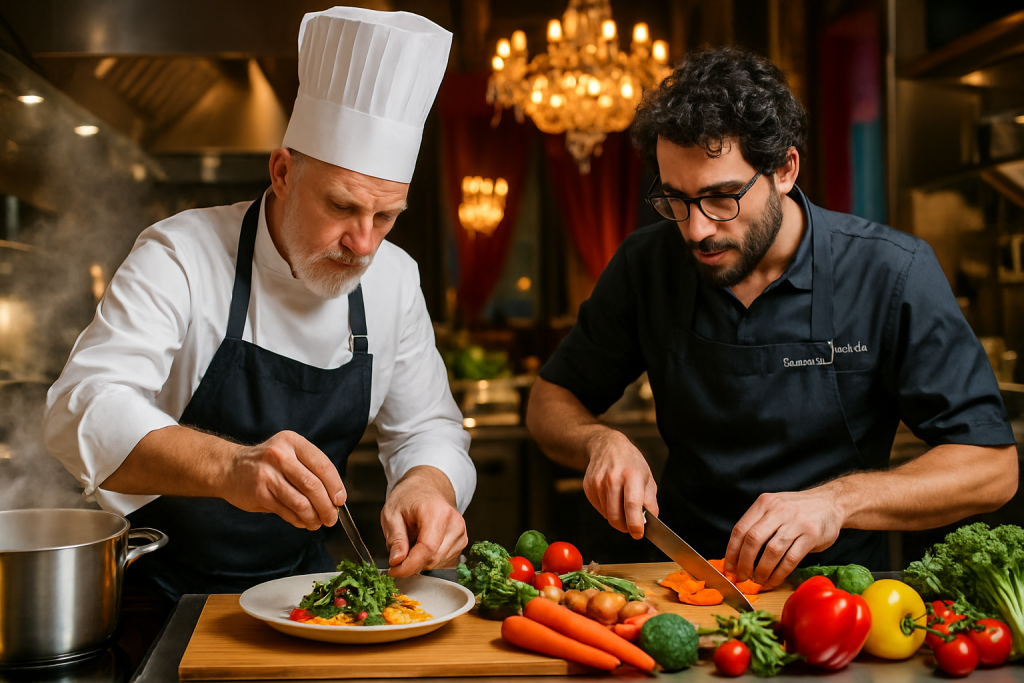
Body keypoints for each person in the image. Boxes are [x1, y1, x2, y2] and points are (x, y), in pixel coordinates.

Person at [527, 46, 1017, 587]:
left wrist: (838, 502)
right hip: (683, 585)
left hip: (839, 595)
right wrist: (600, 441)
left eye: (721, 197)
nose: (697, 230)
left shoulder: (891, 271)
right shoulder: (646, 265)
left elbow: (992, 468)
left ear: (784, 168)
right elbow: (550, 402)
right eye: (676, 200)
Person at [43, 7, 475, 602]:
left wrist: (429, 484)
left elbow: (427, 427)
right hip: (161, 592)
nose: (364, 243)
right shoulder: (181, 253)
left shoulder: (395, 279)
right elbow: (80, 407)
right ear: (282, 172)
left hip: (307, 592)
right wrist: (230, 468)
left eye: (386, 216)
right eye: (343, 207)